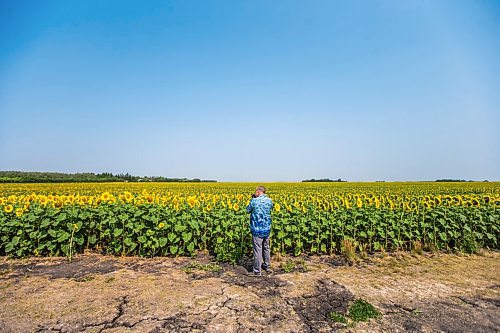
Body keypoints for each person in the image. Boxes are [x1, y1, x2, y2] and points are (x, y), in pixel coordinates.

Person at [246, 185, 273, 276]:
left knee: (257, 249)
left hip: (257, 229)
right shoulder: (270, 200)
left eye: (255, 191)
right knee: (266, 247)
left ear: (258, 191)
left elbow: (247, 210)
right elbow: (270, 209)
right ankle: (267, 266)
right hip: (267, 228)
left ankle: (257, 271)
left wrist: (253, 199)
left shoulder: (254, 201)